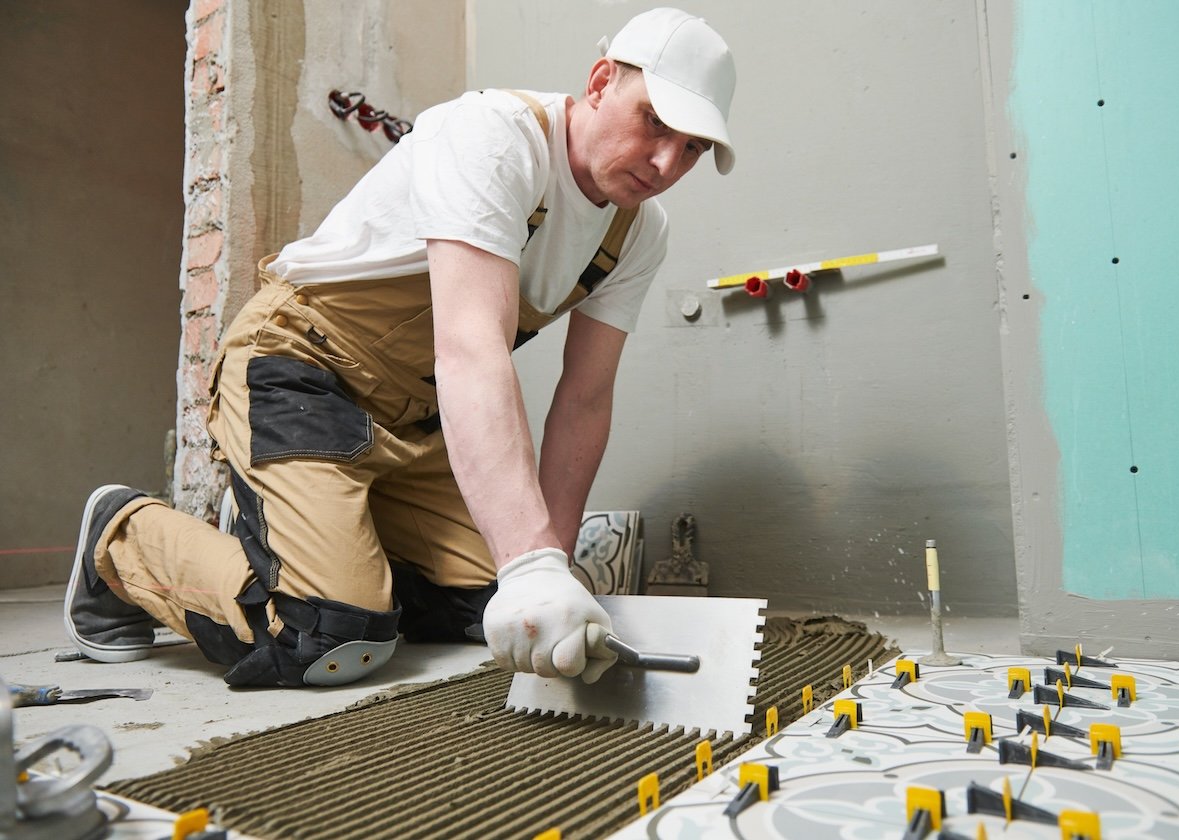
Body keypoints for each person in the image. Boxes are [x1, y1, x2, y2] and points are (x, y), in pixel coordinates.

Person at [64, 7, 736, 688]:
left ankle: (308, 529)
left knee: (492, 605)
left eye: (692, 150)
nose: (665, 162)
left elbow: (585, 399)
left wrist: (549, 574)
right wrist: (530, 561)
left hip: (413, 422)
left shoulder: (639, 232)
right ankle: (122, 536)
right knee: (333, 636)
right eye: (656, 123)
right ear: (600, 83)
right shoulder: (496, 139)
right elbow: (472, 351)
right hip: (300, 372)